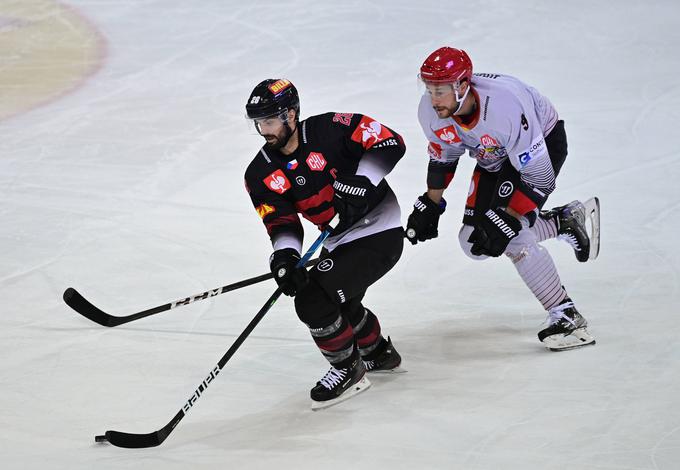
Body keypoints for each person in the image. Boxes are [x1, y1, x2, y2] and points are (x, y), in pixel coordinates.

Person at [406, 47, 601, 351]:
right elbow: (445, 153)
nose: (433, 99)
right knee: (475, 241)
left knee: (510, 236)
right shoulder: (431, 111)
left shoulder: (504, 107)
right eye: (429, 89)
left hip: (542, 143)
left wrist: (509, 219)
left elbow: (540, 178)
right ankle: (562, 221)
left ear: (462, 86)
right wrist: (432, 204)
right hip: (494, 155)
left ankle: (566, 316)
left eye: (440, 91)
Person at [244, 78, 406, 409]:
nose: (265, 130)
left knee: (313, 300)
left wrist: (362, 180)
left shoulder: (331, 129)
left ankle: (349, 371)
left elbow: (390, 142)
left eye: (270, 120)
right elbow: (281, 221)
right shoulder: (259, 173)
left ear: (291, 115)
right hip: (338, 241)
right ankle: (377, 353)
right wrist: (286, 258)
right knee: (335, 298)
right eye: (259, 123)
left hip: (380, 228)